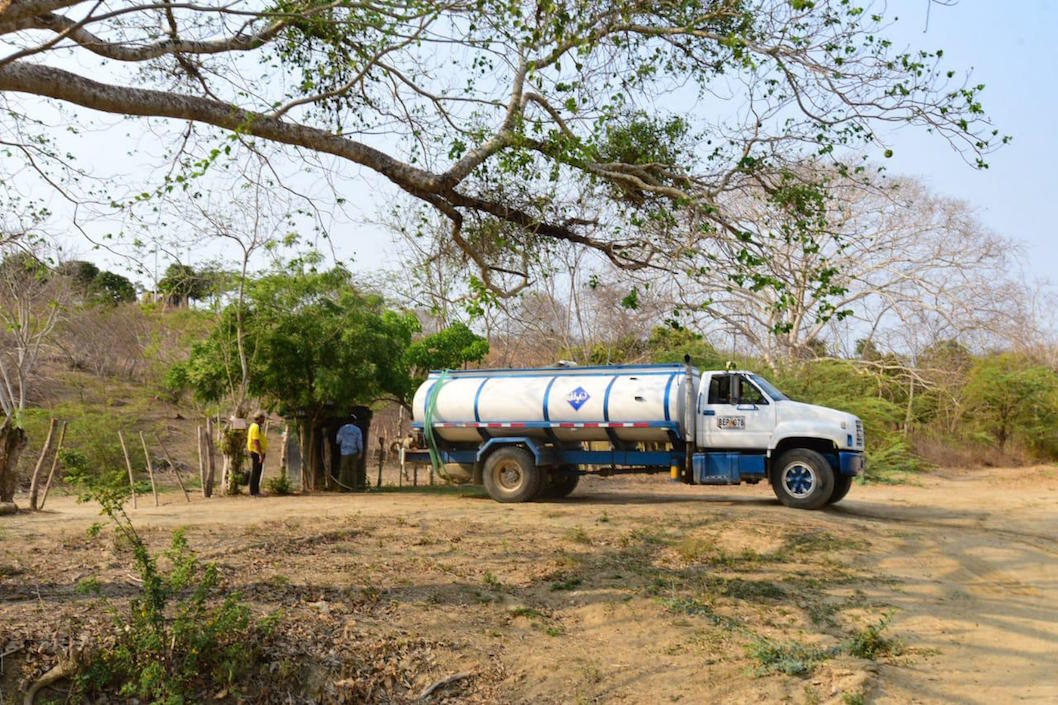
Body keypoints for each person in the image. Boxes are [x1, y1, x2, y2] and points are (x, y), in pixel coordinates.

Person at [336, 413, 364, 491]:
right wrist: (361, 452)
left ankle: (341, 487)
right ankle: (353, 487)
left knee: (343, 469)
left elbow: (338, 441)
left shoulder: (342, 429)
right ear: (355, 421)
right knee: (353, 470)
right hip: (353, 452)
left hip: (344, 452)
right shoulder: (357, 430)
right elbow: (359, 441)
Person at [247, 411, 268, 497]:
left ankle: (256, 490)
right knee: (255, 472)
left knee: (258, 471)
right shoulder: (255, 427)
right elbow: (256, 441)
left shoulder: (256, 426)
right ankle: (253, 492)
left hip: (258, 452)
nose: (264, 419)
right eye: (263, 418)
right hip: (256, 452)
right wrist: (260, 454)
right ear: (259, 418)